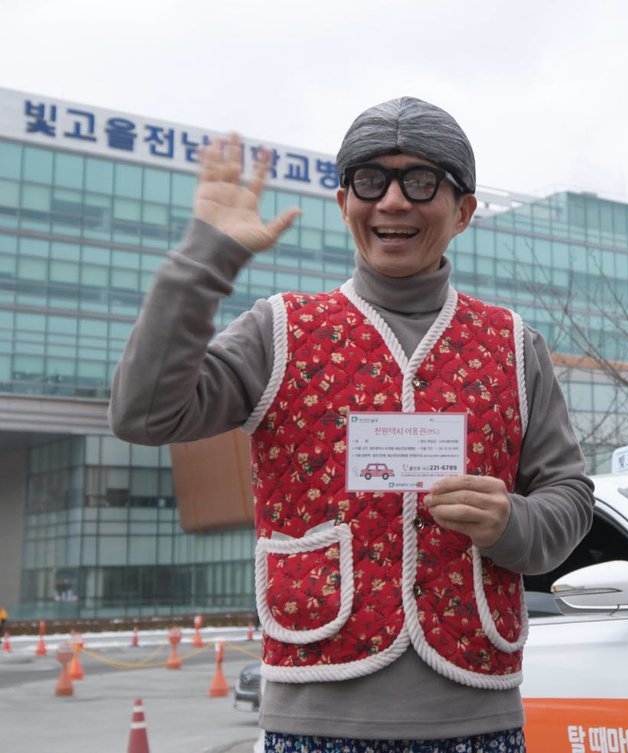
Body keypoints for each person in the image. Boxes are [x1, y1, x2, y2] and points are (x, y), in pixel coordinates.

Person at [109, 97, 594, 753]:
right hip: (314, 717)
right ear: (344, 204)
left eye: (420, 181)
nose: (392, 200)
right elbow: (142, 414)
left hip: (477, 714)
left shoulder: (512, 344)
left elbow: (570, 495)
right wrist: (205, 260)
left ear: (464, 211)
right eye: (371, 181)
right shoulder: (279, 331)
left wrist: (513, 521)